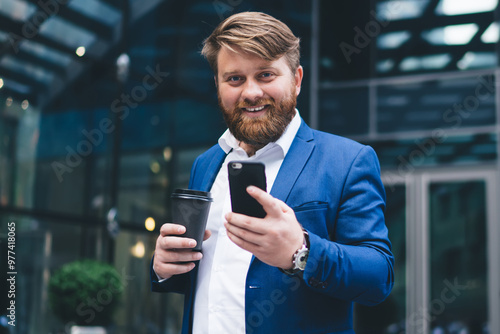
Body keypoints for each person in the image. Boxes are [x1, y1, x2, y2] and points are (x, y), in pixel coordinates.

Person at [151, 11, 394, 334]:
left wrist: (301, 252)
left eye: (266, 75)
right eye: (234, 78)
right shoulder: (206, 164)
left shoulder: (347, 160)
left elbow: (379, 276)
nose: (251, 92)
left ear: (296, 80)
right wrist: (166, 268)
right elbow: (216, 280)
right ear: (218, 84)